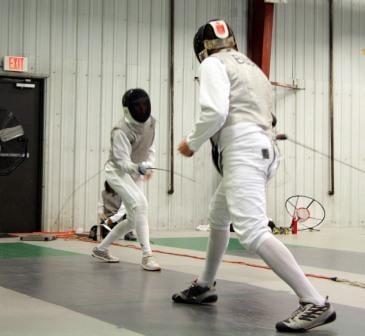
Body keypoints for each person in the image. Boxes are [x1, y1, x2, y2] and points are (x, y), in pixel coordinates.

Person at [172, 19, 336, 332]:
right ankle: (205, 284)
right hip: (263, 148)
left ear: (201, 48)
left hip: (244, 150)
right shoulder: (252, 67)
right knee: (218, 214)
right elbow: (268, 115)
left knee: (252, 230)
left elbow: (215, 112)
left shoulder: (212, 64)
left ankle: (313, 301)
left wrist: (191, 143)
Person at [91, 88, 161, 271]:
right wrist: (138, 167)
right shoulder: (120, 130)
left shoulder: (151, 122)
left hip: (135, 173)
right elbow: (122, 163)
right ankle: (147, 255)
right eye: (137, 106)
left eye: (144, 104)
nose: (141, 109)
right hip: (117, 172)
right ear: (128, 109)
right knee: (141, 205)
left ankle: (101, 249)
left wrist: (148, 165)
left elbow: (150, 147)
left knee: (132, 219)